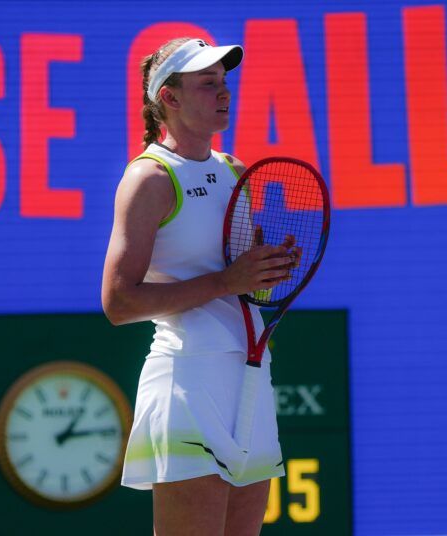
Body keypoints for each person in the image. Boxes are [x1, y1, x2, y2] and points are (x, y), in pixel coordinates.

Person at [101, 37, 299, 536]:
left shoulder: (234, 170)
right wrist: (226, 281)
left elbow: (236, 280)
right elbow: (119, 302)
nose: (224, 92)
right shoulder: (149, 178)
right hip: (188, 382)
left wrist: (265, 271)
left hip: (249, 379)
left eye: (225, 82)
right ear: (169, 98)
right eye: (207, 83)